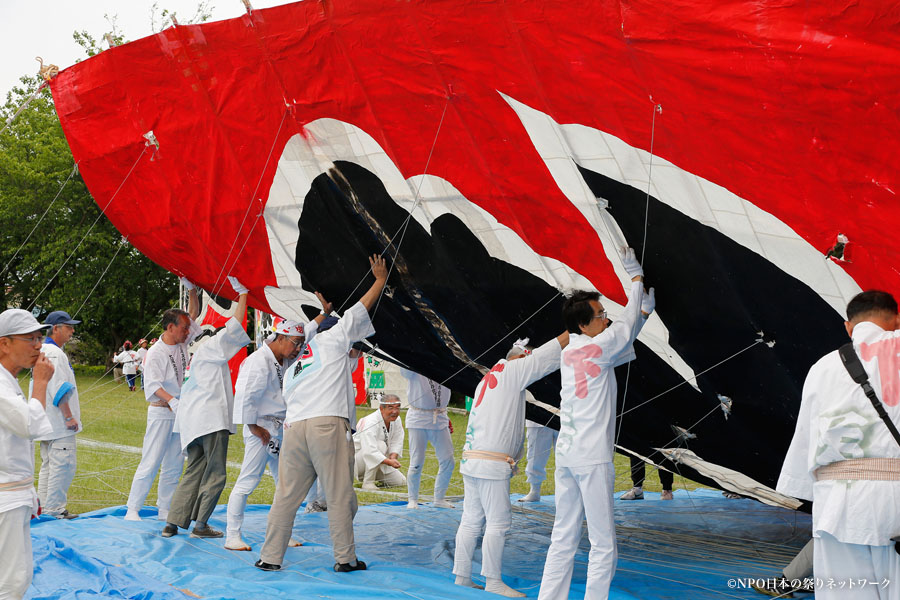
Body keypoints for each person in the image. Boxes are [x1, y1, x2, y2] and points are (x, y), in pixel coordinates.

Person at [256, 255, 387, 573]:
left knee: (286, 497)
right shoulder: (334, 338)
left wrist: (325, 311)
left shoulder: (297, 365)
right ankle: (346, 559)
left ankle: (270, 557)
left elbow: (342, 354)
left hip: (295, 430)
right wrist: (380, 280)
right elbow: (358, 312)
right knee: (340, 494)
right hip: (327, 426)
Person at [538, 247, 654, 600]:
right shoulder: (596, 348)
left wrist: (644, 314)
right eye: (601, 315)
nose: (606, 319)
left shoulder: (573, 349)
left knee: (563, 536)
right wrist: (636, 280)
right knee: (603, 543)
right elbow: (624, 327)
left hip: (569, 454)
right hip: (591, 457)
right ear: (583, 325)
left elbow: (621, 337)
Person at [777, 290, 900, 599]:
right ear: (896, 320)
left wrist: (804, 488)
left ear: (848, 327)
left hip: (837, 505)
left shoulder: (822, 368)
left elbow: (806, 435)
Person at [454, 334, 568, 598]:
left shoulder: (489, 377)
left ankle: (462, 576)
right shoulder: (512, 370)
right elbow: (544, 356)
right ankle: (493, 581)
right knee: (498, 522)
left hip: (473, 458)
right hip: (488, 462)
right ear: (521, 358)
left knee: (471, 519)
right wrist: (573, 329)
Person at [163, 278, 250, 539]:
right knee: (215, 473)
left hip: (190, 423)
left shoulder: (193, 351)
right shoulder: (212, 347)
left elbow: (192, 318)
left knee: (192, 472)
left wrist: (191, 289)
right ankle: (200, 525)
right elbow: (234, 326)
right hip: (211, 420)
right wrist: (243, 294)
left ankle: (172, 523)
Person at [225, 318, 308, 551]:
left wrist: (324, 313)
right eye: (295, 343)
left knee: (286, 483)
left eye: (301, 344)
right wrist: (253, 427)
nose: (298, 349)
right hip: (260, 428)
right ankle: (232, 535)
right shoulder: (258, 361)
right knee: (248, 481)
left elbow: (309, 331)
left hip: (278, 427)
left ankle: (281, 532)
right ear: (280, 338)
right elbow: (245, 396)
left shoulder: (282, 359)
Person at [124, 279, 200, 522]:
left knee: (174, 463)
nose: (188, 332)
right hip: (161, 411)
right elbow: (154, 385)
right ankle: (132, 509)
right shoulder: (155, 352)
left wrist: (191, 290)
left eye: (187, 329)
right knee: (152, 460)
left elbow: (193, 315)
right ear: (170, 327)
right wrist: (173, 401)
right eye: (183, 328)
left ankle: (165, 509)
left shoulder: (180, 341)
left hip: (178, 411)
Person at [0, 309, 55, 599]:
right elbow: (29, 424)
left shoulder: (8, 381)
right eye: (30, 338)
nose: (38, 345)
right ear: (4, 343)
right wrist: (42, 382)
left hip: (13, 492)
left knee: (16, 575)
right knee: (11, 580)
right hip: (5, 497)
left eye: (39, 337)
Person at [32, 310, 83, 520]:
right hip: (58, 423)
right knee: (63, 465)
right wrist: (69, 416)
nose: (72, 331)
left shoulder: (46, 350)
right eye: (68, 327)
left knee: (49, 465)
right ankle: (54, 510)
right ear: (55, 328)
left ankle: (45, 508)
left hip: (48, 422)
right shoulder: (54, 353)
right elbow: (58, 387)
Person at [401, 367, 455, 508]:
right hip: (418, 416)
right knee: (416, 461)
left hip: (440, 416)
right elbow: (405, 371)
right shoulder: (416, 361)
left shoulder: (446, 362)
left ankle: (439, 499)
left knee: (448, 460)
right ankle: (412, 499)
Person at [354, 394, 406, 491]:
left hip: (379, 460)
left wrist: (393, 457)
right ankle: (368, 482)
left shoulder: (397, 420)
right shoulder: (371, 421)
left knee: (401, 482)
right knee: (380, 445)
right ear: (381, 408)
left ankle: (377, 475)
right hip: (356, 462)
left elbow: (397, 440)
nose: (395, 411)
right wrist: (389, 462)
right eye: (390, 408)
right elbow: (369, 451)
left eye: (397, 408)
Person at [519, 415, 558, 503]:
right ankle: (534, 490)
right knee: (534, 457)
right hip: (538, 418)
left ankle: (568, 491)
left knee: (565, 458)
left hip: (564, 415)